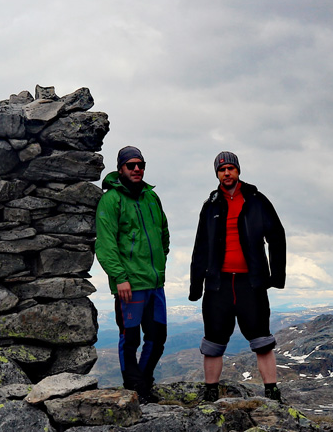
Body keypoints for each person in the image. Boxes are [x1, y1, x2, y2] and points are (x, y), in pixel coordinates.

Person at [189, 151, 286, 402]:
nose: (227, 173)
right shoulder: (210, 205)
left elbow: (276, 236)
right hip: (217, 284)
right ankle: (210, 393)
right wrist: (196, 284)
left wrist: (276, 276)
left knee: (262, 339)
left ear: (238, 171)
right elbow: (200, 246)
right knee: (213, 341)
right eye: (222, 169)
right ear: (217, 174)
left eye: (231, 168)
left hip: (250, 283)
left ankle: (272, 392)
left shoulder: (256, 200)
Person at [94, 146, 169, 404]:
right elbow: (105, 244)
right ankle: (134, 387)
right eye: (131, 165)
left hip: (155, 283)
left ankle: (144, 383)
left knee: (157, 337)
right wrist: (119, 277)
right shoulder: (111, 200)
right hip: (129, 284)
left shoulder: (151, 198)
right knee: (130, 339)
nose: (137, 169)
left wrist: (160, 265)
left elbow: (163, 233)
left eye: (141, 164)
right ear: (121, 169)